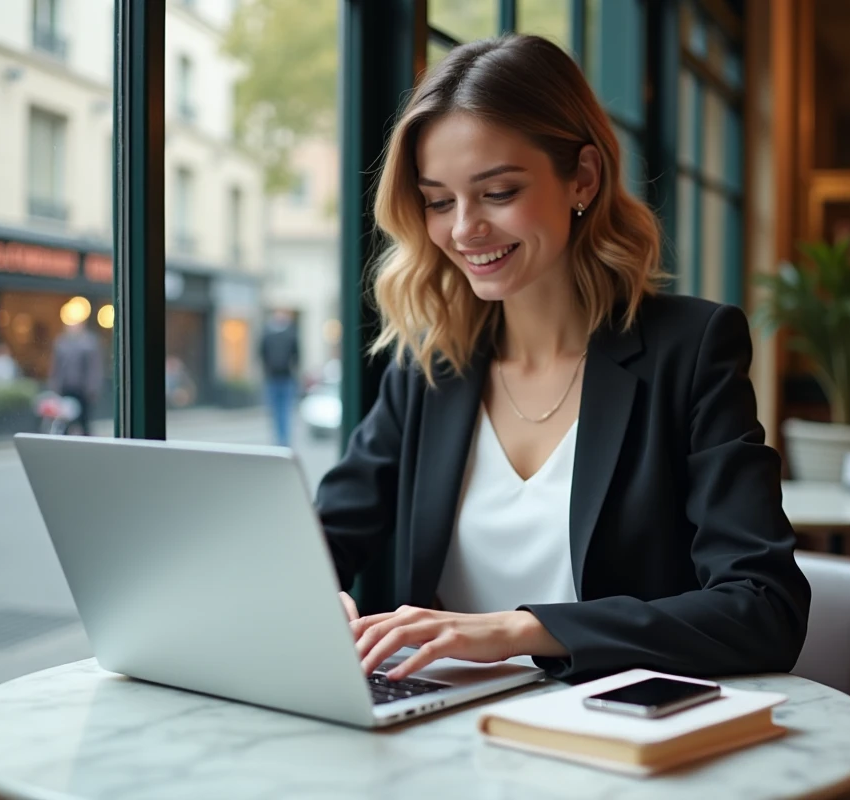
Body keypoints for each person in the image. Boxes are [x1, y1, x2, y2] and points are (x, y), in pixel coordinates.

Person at [314, 35, 811, 684]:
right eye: (438, 201)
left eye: (497, 192)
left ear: (582, 178)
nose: (463, 229)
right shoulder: (430, 366)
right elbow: (321, 538)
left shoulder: (691, 350)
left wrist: (519, 630)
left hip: (614, 745)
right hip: (444, 739)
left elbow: (764, 608)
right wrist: (313, 596)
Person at [49, 322, 103, 436]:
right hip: (66, 388)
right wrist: (55, 386)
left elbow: (94, 368)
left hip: (83, 390)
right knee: (64, 422)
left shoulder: (89, 343)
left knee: (84, 422)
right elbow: (56, 367)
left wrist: (92, 388)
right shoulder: (62, 343)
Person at [259, 309, 299, 446]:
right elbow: (261, 354)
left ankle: (282, 439)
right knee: (277, 410)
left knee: (282, 410)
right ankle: (279, 438)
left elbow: (297, 355)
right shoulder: (270, 334)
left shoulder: (287, 334)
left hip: (284, 377)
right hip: (274, 377)